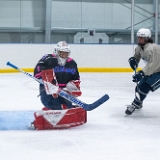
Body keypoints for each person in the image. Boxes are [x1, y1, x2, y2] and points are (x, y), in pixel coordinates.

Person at [34, 41, 82, 110]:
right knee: (56, 106)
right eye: (61, 52)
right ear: (56, 51)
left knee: (67, 107)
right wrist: (46, 81)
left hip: (64, 92)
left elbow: (76, 78)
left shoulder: (72, 63)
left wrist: (73, 87)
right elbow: (38, 71)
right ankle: (51, 109)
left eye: (66, 52)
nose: (64, 54)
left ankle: (55, 109)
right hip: (48, 91)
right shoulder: (47, 59)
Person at [125, 28, 160, 115]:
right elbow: (136, 57)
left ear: (147, 38)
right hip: (152, 71)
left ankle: (135, 104)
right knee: (138, 87)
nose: (139, 39)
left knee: (145, 86)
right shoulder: (139, 48)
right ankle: (139, 103)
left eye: (141, 38)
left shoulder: (153, 49)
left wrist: (141, 73)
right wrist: (133, 61)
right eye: (138, 37)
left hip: (158, 71)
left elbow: (153, 65)